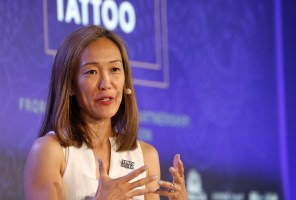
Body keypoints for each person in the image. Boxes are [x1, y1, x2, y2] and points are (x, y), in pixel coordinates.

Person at [23, 25, 188, 200]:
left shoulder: (146, 155)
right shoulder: (50, 151)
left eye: (115, 69)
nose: (106, 83)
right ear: (70, 85)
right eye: (92, 71)